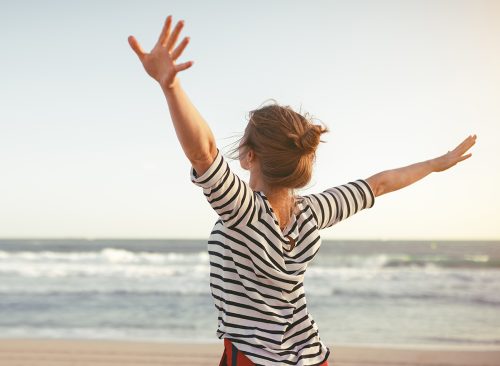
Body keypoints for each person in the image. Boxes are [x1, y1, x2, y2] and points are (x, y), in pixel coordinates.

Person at [128, 15, 477, 366]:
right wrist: (435, 164)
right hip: (312, 356)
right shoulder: (313, 212)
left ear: (249, 157)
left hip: (253, 360)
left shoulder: (243, 211)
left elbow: (203, 153)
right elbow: (380, 184)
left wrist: (170, 88)